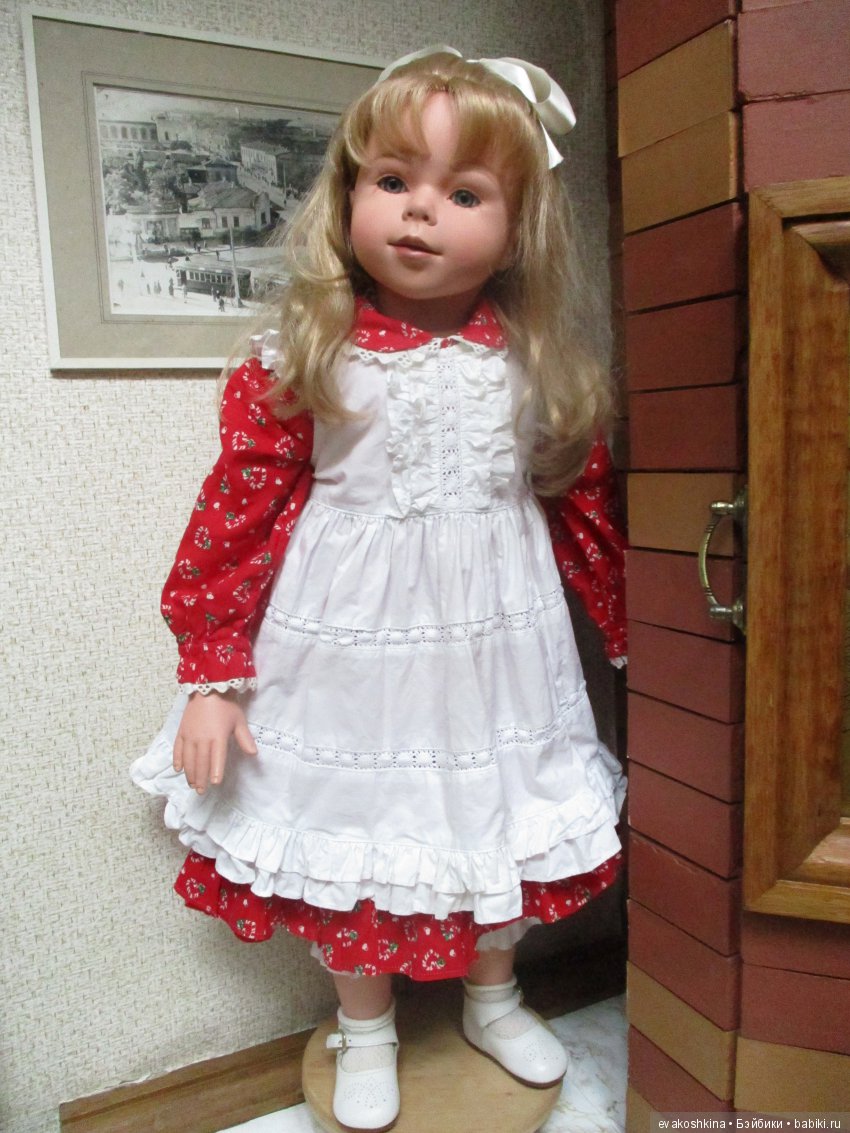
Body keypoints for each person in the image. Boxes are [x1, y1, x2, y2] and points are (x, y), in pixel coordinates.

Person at [131, 47, 627, 1133]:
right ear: (348, 192)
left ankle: (494, 996)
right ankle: (365, 1025)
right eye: (393, 179)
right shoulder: (306, 352)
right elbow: (236, 515)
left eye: (464, 192)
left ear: (518, 224)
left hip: (499, 654)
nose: (419, 211)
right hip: (348, 655)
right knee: (352, 831)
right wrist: (212, 669)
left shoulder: (537, 360)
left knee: (502, 818)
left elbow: (581, 504)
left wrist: (630, 626)